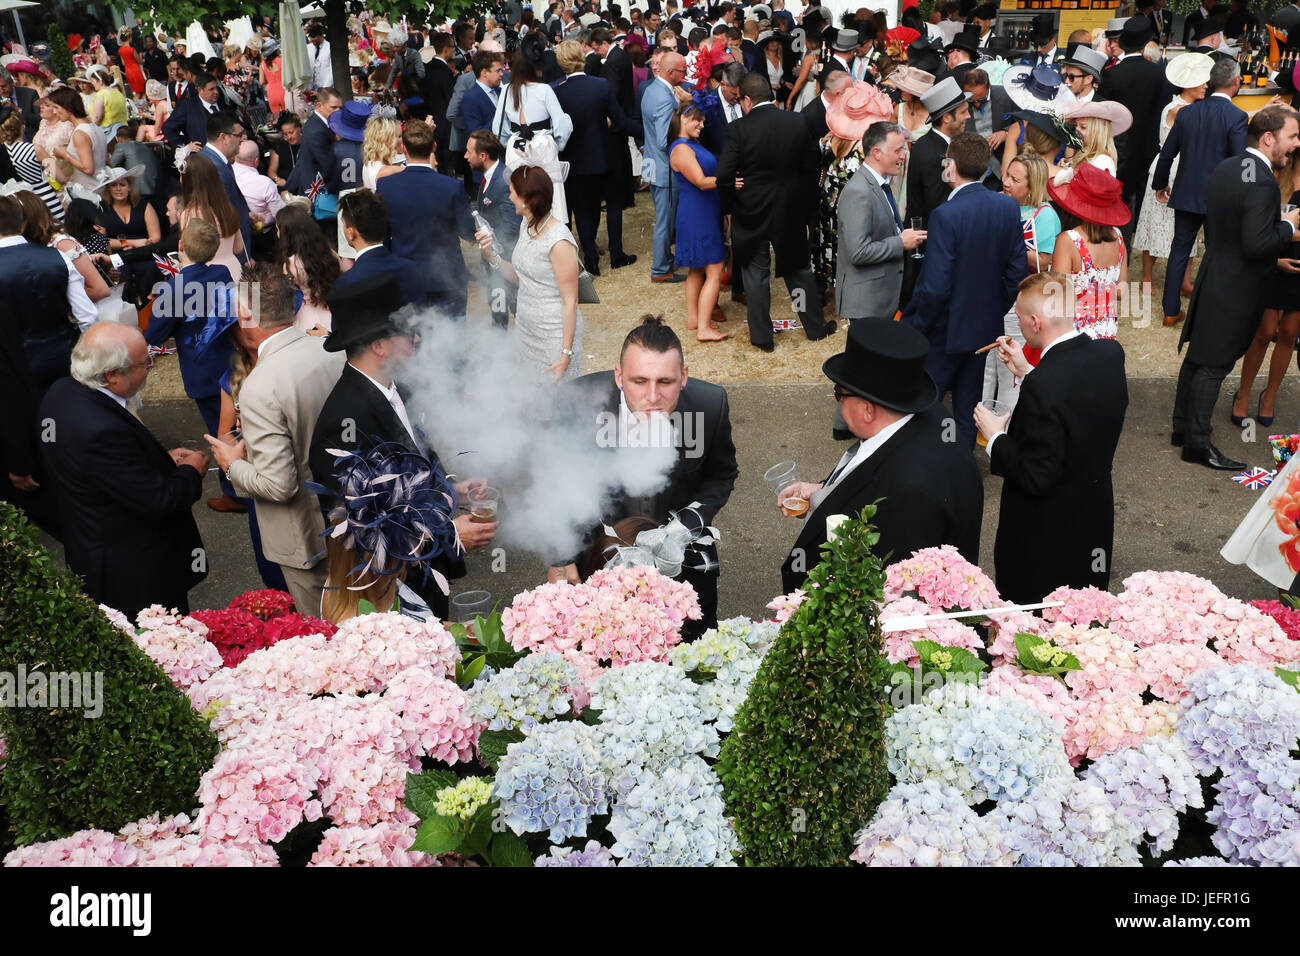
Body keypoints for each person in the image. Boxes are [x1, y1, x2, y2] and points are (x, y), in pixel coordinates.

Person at [310, 273, 495, 621]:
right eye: (408, 332)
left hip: (423, 579)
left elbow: (413, 466)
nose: (418, 338)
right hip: (387, 601)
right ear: (379, 345)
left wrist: (449, 490)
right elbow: (364, 532)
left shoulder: (396, 389)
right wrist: (450, 533)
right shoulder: (343, 425)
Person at [553, 316, 738, 639]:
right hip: (596, 559)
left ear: (684, 377)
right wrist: (560, 557)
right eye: (639, 381)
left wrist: (686, 526)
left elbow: (721, 475)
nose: (652, 396)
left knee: (693, 654)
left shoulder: (711, 405)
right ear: (619, 375)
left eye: (665, 382)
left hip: (685, 567)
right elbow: (556, 482)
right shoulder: (577, 403)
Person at [779, 317, 982, 593]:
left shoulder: (910, 492)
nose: (837, 401)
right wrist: (823, 493)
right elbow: (867, 471)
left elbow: (886, 592)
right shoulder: (927, 417)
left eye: (839, 394)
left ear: (867, 411)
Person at [977, 270, 1128, 604]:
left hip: (1045, 535)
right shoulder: (1110, 356)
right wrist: (1028, 372)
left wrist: (995, 438)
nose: (1017, 326)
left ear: (1035, 321)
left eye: (1019, 318)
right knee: (1083, 613)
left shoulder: (1043, 386)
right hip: (1093, 517)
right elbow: (1074, 402)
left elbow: (1036, 474)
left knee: (1039, 623)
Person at [204, 261, 345, 614]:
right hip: (352, 526)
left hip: (306, 541)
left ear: (243, 319)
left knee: (326, 641)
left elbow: (278, 486)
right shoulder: (332, 349)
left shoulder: (259, 387)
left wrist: (231, 464)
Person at [39, 323, 208, 617]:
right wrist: (191, 472)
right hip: (134, 574)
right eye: (145, 362)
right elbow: (160, 500)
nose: (151, 367)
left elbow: (104, 473)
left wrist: (161, 461)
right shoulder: (101, 430)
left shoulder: (61, 391)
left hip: (91, 546)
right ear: (112, 375)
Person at [1173, 106, 1300, 471]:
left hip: (1217, 274)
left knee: (1199, 358)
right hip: (1236, 286)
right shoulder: (1261, 181)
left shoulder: (1230, 166)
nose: (1296, 144)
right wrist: (1287, 226)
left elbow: (1228, 230)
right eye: (1292, 136)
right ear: (1268, 138)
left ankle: (1182, 430)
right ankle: (1197, 443)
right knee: (1213, 364)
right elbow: (1256, 244)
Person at [902, 132, 1028, 449]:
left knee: (928, 406)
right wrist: (992, 308)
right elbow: (1016, 272)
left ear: (952, 167)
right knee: (969, 406)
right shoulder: (1006, 207)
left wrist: (915, 327)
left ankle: (935, 472)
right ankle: (962, 469)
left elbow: (935, 287)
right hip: (983, 328)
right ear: (986, 169)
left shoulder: (946, 215)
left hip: (942, 331)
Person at [716, 72, 833, 351]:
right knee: (797, 272)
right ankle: (814, 328)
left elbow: (723, 176)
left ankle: (761, 336)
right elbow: (811, 168)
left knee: (756, 276)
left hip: (750, 210)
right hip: (789, 210)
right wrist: (804, 207)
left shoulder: (737, 129)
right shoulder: (797, 122)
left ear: (746, 100)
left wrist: (729, 205)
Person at [145, 217, 239, 512]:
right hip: (230, 361)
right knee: (238, 423)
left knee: (219, 429)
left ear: (181, 246)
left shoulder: (172, 288)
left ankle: (236, 493)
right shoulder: (222, 271)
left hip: (202, 370)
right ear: (212, 252)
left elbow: (153, 335)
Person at [1152, 57, 1246, 328]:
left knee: (1179, 249)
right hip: (1220, 197)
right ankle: (1208, 310)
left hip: (1186, 192)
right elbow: (1240, 162)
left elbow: (1167, 153)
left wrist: (1160, 184)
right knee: (1217, 252)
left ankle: (1170, 311)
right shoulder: (1236, 117)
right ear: (1236, 83)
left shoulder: (1188, 113)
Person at [476, 165, 583, 383]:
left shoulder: (559, 241)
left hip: (553, 337)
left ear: (526, 199)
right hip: (526, 331)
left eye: (513, 191)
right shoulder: (527, 225)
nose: (509, 196)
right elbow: (520, 276)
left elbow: (570, 301)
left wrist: (565, 355)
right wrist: (492, 257)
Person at [1133, 53, 1212, 304]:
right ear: (1188, 83)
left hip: (1187, 168)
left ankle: (1185, 281)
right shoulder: (1178, 109)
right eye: (1201, 81)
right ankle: (1147, 276)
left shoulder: (1191, 108)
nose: (1206, 85)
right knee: (1157, 221)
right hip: (1170, 167)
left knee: (1184, 227)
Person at [376, 120, 476, 316]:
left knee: (412, 341)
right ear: (434, 147)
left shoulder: (386, 186)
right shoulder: (451, 187)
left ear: (403, 149)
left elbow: (383, 234)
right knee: (452, 339)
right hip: (448, 277)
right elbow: (468, 232)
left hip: (406, 277)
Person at [553, 39, 634, 276]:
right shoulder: (600, 86)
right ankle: (608, 254)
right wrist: (645, 131)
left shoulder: (555, 90)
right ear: (582, 56)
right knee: (605, 205)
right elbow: (620, 120)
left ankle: (590, 259)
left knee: (582, 211)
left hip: (572, 159)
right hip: (601, 156)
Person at [833, 118, 926, 323]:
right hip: (867, 304)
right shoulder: (858, 192)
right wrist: (900, 242)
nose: (903, 156)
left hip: (881, 300)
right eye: (898, 151)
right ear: (876, 153)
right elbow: (858, 252)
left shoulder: (880, 183)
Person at [1233, 150, 1300, 429]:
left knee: (1289, 332)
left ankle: (1269, 396)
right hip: (1273, 261)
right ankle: (1244, 393)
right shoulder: (1275, 172)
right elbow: (1255, 226)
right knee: (1265, 330)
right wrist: (1275, 261)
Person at [1101, 18, 1170, 245]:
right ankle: (1129, 243)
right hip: (1149, 148)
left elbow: (1104, 116)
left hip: (1117, 147)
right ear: (1144, 44)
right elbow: (1163, 112)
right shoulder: (1158, 74)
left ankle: (1114, 242)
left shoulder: (1112, 74)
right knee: (1139, 200)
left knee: (1116, 199)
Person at [492, 33, 574, 222]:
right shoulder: (544, 90)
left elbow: (497, 127)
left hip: (516, 148)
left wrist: (509, 141)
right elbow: (562, 125)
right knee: (550, 198)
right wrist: (556, 143)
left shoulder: (506, 90)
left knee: (521, 197)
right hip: (541, 146)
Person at [668, 104, 729, 342]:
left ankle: (694, 319)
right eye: (698, 121)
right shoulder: (681, 149)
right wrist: (729, 180)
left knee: (696, 269)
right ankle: (704, 328)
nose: (702, 126)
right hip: (697, 215)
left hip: (703, 211)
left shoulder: (691, 144)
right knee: (715, 270)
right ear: (683, 119)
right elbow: (701, 182)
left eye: (703, 122)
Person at [1050, 163, 1129, 342]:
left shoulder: (1069, 240)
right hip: (1107, 331)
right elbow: (1121, 289)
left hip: (1073, 333)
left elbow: (1058, 295)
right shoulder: (1117, 236)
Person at [644, 51, 689, 283]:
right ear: (671, 72)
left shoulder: (651, 89)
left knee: (663, 219)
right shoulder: (663, 96)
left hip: (653, 165)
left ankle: (664, 262)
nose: (685, 76)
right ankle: (661, 269)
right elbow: (664, 140)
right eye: (682, 72)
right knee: (665, 222)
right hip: (665, 171)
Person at [179, 151, 246, 287]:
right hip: (236, 272)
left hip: (206, 279)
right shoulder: (227, 207)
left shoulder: (188, 214)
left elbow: (188, 255)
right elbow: (238, 248)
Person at [276, 203, 341, 336]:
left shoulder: (290, 264)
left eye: (277, 229)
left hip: (304, 319)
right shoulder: (329, 253)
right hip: (332, 312)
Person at [0, 106, 61, 223]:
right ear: (23, 127)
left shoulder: (3, 152)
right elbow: (60, 177)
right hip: (47, 200)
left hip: (22, 208)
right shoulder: (34, 149)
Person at [284, 87, 341, 196]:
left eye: (339, 107)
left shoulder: (315, 123)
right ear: (319, 106)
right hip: (319, 193)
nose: (338, 111)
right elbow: (328, 168)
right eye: (333, 107)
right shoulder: (317, 131)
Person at [46, 86, 105, 190]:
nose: (54, 112)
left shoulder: (80, 133)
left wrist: (65, 155)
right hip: (100, 184)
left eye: (56, 107)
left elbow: (88, 169)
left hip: (89, 189)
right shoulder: (93, 126)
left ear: (68, 108)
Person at [1063, 100, 1128, 177]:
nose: (1076, 130)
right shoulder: (1087, 154)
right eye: (1076, 125)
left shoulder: (1102, 162)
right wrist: (1067, 167)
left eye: (1083, 127)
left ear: (1097, 131)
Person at [161, 71, 224, 150]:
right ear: (200, 90)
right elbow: (167, 128)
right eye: (211, 89)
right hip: (201, 157)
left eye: (217, 88)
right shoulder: (187, 106)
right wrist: (186, 146)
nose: (216, 92)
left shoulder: (223, 105)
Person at [233, 138, 285, 227]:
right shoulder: (264, 183)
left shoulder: (228, 171)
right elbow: (280, 215)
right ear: (256, 161)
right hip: (263, 231)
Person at [267, 112, 301, 187]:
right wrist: (277, 179)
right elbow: (271, 170)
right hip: (286, 186)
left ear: (299, 129)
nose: (289, 137)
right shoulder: (280, 146)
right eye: (285, 134)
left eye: (291, 132)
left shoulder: (307, 144)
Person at [260, 41, 285, 117]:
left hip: (272, 93)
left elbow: (261, 82)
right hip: (284, 91)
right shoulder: (282, 61)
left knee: (277, 118)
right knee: (288, 117)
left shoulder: (262, 64)